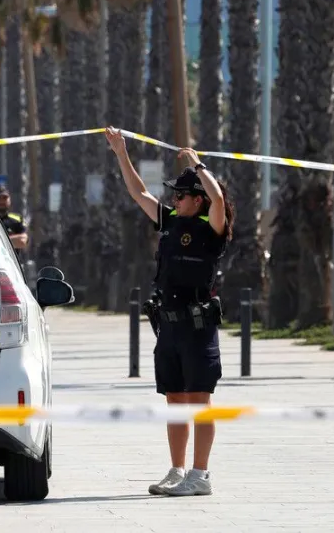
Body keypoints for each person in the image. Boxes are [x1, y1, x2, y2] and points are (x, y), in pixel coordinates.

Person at [105, 127, 234, 497]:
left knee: (199, 401)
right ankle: (177, 470)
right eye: (174, 195)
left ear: (197, 199)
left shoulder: (212, 229)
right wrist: (120, 152)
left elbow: (219, 200)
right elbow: (138, 192)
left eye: (181, 194)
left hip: (197, 326)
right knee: (175, 400)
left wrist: (199, 165)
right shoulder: (171, 222)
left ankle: (201, 474)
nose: (174, 199)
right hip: (170, 327)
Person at [0, 183, 29, 258]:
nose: (2, 201)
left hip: (12, 266)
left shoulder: (17, 219)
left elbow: (22, 241)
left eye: (5, 198)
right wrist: (13, 239)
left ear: (9, 199)